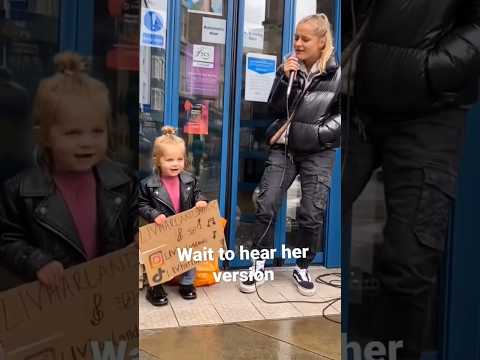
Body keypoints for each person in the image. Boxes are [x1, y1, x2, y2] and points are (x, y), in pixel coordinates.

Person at [342, 0, 480, 358]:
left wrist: (430, 70)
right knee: (314, 219)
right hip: (352, 101)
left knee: (410, 261)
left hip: (430, 114)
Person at [0, 52, 137, 288]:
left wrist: (141, 234)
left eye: (96, 131)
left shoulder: (123, 182)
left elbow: (137, 216)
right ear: (43, 136)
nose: (86, 142)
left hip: (111, 302)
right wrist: (37, 262)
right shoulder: (20, 192)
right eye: (73, 133)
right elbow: (7, 238)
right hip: (56, 311)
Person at [239, 13, 340, 296]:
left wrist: (318, 134)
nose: (297, 43)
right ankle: (259, 263)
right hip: (284, 149)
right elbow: (273, 108)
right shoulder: (289, 69)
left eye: (304, 39)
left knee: (311, 212)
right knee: (266, 201)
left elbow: (345, 118)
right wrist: (284, 78)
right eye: (296, 37)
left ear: (321, 42)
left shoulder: (337, 74)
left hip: (318, 152)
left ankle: (303, 267)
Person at [139, 126, 208, 306]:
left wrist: (200, 201)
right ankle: (156, 287)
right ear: (157, 160)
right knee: (159, 259)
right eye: (169, 159)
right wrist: (154, 214)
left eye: (179, 159)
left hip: (184, 229)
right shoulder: (148, 184)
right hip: (161, 229)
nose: (175, 163)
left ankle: (187, 283)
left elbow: (197, 194)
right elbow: (140, 204)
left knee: (189, 254)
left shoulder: (189, 180)